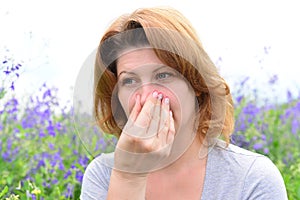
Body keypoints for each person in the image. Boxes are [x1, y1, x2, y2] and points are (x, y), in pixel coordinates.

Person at [80, 7, 287, 200]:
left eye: (162, 75)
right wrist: (129, 178)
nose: (147, 97)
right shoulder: (103, 176)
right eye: (130, 81)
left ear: (196, 83)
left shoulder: (251, 178)